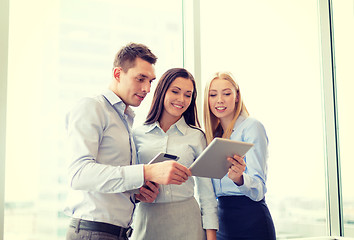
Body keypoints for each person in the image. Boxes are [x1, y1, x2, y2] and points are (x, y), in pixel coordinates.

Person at [64, 43, 192, 240]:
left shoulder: (125, 119)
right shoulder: (92, 107)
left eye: (150, 81)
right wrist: (147, 171)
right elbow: (79, 174)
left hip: (119, 233)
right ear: (117, 74)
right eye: (140, 79)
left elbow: (108, 179)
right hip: (93, 232)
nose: (147, 88)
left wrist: (136, 192)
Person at [131, 68, 219, 240]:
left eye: (188, 95)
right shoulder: (137, 134)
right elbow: (128, 181)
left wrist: (211, 235)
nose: (181, 99)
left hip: (187, 221)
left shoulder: (196, 136)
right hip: (147, 220)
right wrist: (137, 193)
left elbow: (206, 191)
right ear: (162, 91)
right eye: (175, 91)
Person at [203, 71, 276, 240]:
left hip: (251, 221)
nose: (219, 100)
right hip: (221, 223)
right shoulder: (210, 136)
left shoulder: (252, 127)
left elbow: (259, 189)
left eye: (226, 93)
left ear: (237, 96)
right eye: (213, 94)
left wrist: (239, 178)